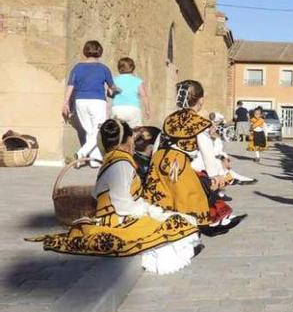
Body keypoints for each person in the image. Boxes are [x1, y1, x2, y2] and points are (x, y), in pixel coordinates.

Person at [28, 119, 201, 275]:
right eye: (131, 139)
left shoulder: (113, 160)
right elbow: (123, 205)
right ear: (126, 141)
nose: (134, 143)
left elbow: (99, 194)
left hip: (118, 215)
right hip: (120, 220)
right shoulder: (122, 164)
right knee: (181, 224)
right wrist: (150, 210)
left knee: (176, 221)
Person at [144, 80, 241, 235]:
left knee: (164, 194)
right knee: (191, 196)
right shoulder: (199, 122)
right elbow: (206, 149)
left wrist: (152, 163)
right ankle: (196, 228)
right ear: (201, 100)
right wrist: (214, 175)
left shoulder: (170, 118)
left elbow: (159, 140)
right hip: (177, 163)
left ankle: (163, 223)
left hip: (159, 160)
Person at [62, 40, 117, 168]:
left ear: (85, 51)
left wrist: (65, 103)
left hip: (80, 101)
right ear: (100, 52)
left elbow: (70, 86)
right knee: (98, 131)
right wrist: (115, 90)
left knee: (90, 131)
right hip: (97, 101)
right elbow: (112, 87)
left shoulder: (77, 67)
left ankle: (94, 160)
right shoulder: (104, 69)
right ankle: (81, 153)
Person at [111, 57, 149, 128]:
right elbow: (144, 95)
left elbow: (110, 94)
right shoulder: (137, 81)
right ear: (132, 68)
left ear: (119, 68)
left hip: (117, 108)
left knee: (117, 131)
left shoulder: (114, 80)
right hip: (133, 108)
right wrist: (147, 110)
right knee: (135, 130)